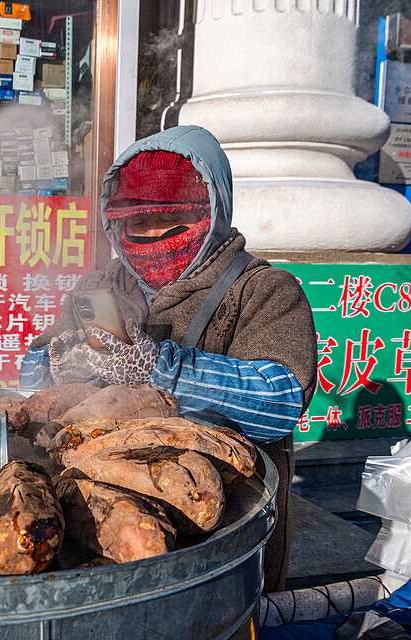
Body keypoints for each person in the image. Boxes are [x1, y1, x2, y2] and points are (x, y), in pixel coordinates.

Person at [19, 125, 316, 591]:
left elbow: (278, 399)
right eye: (138, 223)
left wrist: (160, 366)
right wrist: (51, 363)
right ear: (115, 222)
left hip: (220, 517)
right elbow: (32, 373)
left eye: (172, 221)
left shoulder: (263, 289)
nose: (154, 235)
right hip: (103, 503)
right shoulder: (97, 289)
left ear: (212, 212)